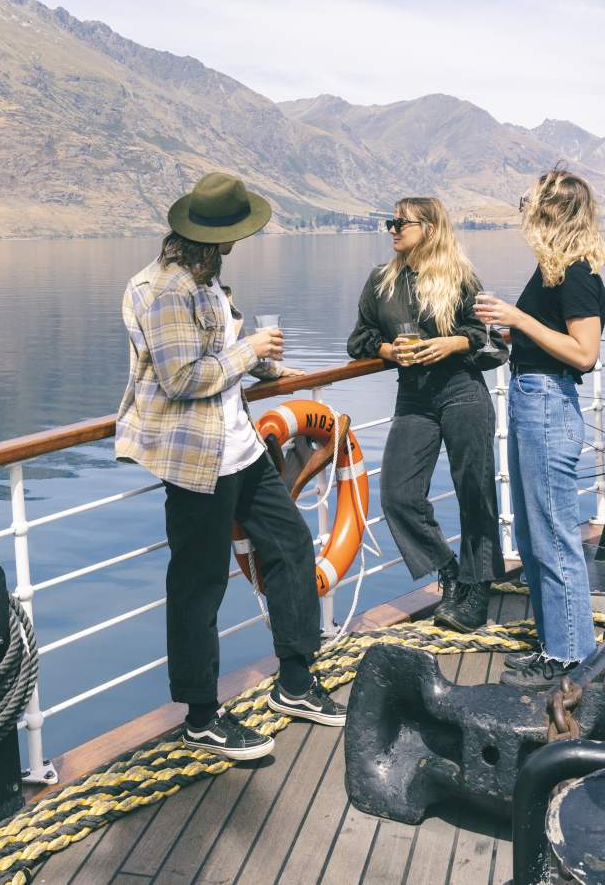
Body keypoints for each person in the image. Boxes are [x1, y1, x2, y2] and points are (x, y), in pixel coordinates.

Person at [116, 172, 346, 762]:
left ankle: (294, 683)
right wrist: (249, 351)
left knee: (292, 545)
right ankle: (199, 719)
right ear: (210, 237)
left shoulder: (206, 279)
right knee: (199, 586)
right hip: (196, 461)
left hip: (239, 450)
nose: (238, 245)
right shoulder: (166, 291)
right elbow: (182, 377)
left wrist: (263, 369)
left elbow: (217, 358)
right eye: (233, 236)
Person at [347, 197, 507, 632]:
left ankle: (477, 591)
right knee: (397, 495)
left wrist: (450, 343)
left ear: (431, 229)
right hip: (414, 400)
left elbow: (489, 340)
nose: (393, 229)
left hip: (462, 391)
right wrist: (387, 350)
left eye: (402, 222)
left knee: (474, 491)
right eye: (390, 222)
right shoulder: (381, 281)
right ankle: (450, 572)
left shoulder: (459, 278)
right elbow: (359, 338)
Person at [475, 170, 605, 688]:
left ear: (552, 211)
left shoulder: (576, 272)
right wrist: (514, 326)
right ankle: (558, 645)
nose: (524, 207)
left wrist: (520, 321)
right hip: (534, 399)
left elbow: (585, 353)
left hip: (548, 404)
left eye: (530, 200)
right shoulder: (554, 270)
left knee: (553, 539)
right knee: (533, 537)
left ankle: (571, 661)